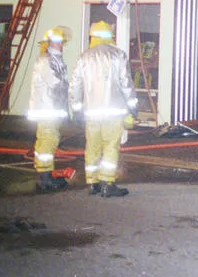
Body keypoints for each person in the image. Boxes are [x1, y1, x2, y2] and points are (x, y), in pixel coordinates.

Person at [69, 20, 138, 197]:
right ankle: (108, 184)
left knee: (92, 147)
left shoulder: (84, 57)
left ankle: (93, 184)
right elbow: (126, 85)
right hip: (113, 114)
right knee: (110, 147)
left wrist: (76, 109)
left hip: (91, 114)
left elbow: (75, 85)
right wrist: (133, 107)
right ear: (109, 36)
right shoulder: (118, 55)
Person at [27, 26, 72, 192]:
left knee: (50, 141)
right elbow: (56, 83)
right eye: (57, 42)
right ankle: (45, 179)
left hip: (52, 109)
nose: (60, 45)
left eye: (61, 42)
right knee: (47, 142)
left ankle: (47, 175)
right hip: (47, 110)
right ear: (48, 44)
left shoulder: (54, 60)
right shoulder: (46, 61)